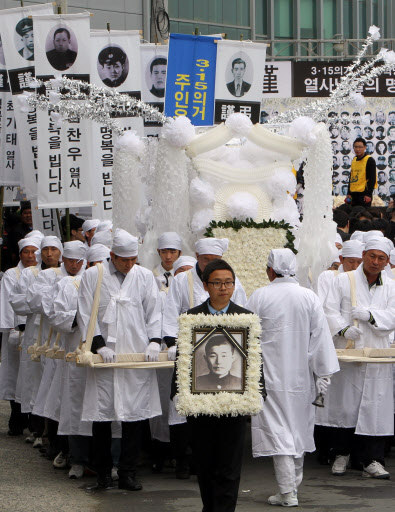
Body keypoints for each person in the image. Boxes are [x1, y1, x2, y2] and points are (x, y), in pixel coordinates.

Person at [247, 249, 339, 507]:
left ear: (269, 270)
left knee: (280, 434)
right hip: (301, 378)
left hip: (268, 378)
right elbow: (320, 338)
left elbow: (246, 336)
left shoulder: (259, 296)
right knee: (296, 433)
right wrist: (324, 375)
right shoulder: (308, 297)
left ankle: (288, 492)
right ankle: (290, 488)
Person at [77, 228, 162, 491]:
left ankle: (128, 472)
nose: (129, 264)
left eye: (133, 259)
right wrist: (98, 344)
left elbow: (154, 310)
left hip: (136, 355)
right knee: (102, 416)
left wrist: (154, 341)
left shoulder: (145, 276)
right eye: (124, 259)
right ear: (112, 255)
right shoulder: (93, 275)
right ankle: (102, 473)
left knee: (135, 416)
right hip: (106, 357)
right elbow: (84, 312)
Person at [172, 258, 257, 512]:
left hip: (235, 404)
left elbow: (255, 357)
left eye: (228, 283)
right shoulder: (191, 318)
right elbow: (182, 358)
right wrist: (178, 393)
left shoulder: (246, 318)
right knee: (205, 464)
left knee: (229, 466)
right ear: (206, 286)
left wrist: (256, 392)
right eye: (217, 283)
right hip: (201, 404)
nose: (223, 288)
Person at [320, 237, 395, 479]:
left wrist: (371, 316)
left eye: (380, 258)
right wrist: (342, 329)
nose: (375, 261)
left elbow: (393, 315)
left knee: (375, 406)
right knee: (346, 406)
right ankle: (341, 454)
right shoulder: (344, 280)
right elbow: (328, 309)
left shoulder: (391, 286)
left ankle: (372, 460)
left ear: (387, 262)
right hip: (350, 350)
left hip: (377, 353)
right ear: (363, 255)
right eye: (371, 255)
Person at [9, 235, 62, 448]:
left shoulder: (66, 273)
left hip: (58, 333)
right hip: (36, 333)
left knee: (54, 380)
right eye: (46, 249)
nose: (49, 253)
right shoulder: (30, 274)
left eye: (53, 249)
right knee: (35, 380)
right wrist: (39, 301)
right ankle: (38, 428)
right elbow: (18, 302)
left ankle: (53, 431)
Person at [162, 238, 247, 349]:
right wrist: (172, 343)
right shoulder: (181, 279)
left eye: (215, 260)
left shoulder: (231, 280)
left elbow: (239, 309)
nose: (210, 264)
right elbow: (171, 311)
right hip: (188, 343)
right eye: (206, 259)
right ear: (197, 256)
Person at [0, 237, 40, 436]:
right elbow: (8, 304)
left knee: (31, 378)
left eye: (34, 251)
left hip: (35, 334)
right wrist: (15, 329)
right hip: (16, 334)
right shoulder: (12, 274)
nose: (30, 256)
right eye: (26, 251)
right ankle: (17, 419)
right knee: (15, 376)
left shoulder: (43, 274)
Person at [346, 137, 377, 207]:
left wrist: (368, 194)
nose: (357, 149)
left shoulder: (369, 160)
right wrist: (349, 193)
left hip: (364, 194)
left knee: (363, 214)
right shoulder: (354, 159)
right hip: (353, 194)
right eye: (356, 147)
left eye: (360, 147)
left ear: (365, 147)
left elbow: (372, 179)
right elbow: (351, 177)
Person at [7, 201, 33, 268]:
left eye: (30, 213)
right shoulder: (15, 231)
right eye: (25, 213)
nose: (28, 215)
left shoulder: (41, 228)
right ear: (21, 215)